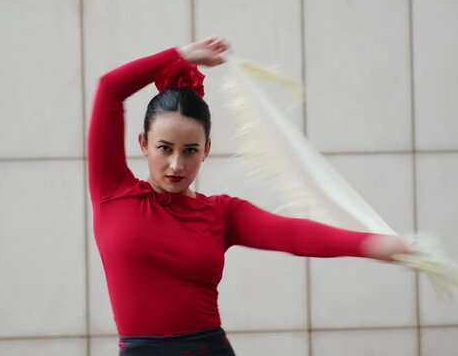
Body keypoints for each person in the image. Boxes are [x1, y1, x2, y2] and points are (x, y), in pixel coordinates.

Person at [88, 36, 411, 356]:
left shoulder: (221, 213)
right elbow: (110, 88)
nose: (176, 164)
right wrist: (181, 54)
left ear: (207, 150)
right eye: (164, 149)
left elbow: (294, 234)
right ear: (144, 144)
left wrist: (374, 245)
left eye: (190, 151)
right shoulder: (112, 191)